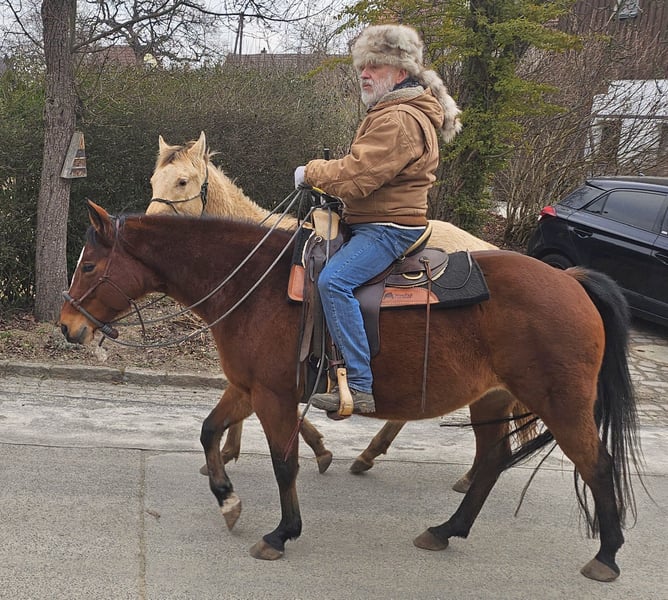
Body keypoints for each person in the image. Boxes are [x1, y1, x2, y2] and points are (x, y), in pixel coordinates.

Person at [294, 23, 462, 415]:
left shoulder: (399, 118)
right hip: (373, 219)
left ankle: (359, 385)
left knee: (335, 281)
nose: (365, 74)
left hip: (388, 229)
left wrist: (311, 172)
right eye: (362, 67)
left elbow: (358, 175)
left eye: (374, 66)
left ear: (400, 73)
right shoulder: (391, 111)